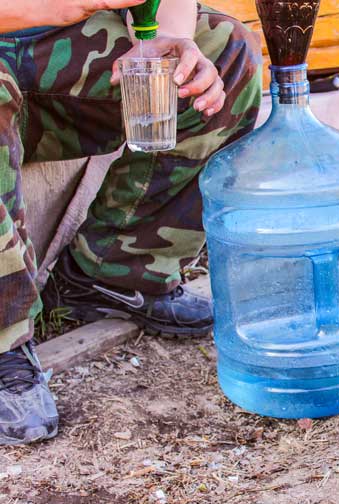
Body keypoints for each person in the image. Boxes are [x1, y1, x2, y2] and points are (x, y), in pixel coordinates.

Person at [0, 0, 263, 445]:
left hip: (47, 52)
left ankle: (115, 271)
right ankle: (5, 340)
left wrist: (165, 39)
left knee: (224, 48)